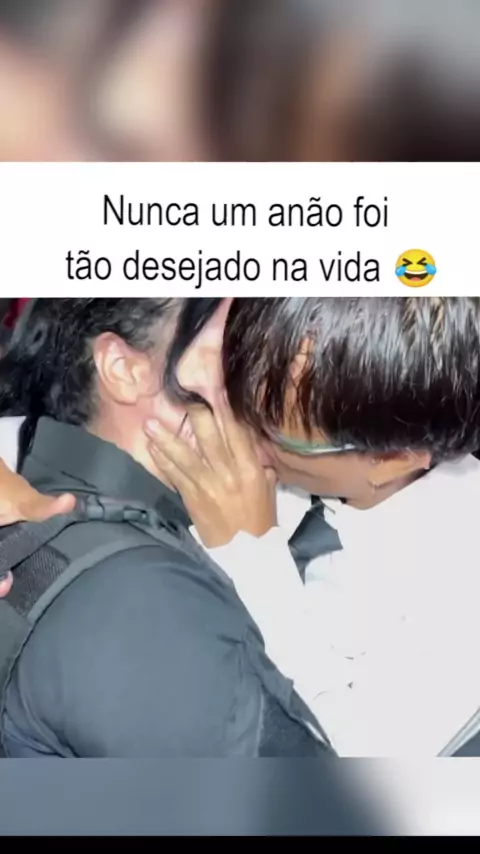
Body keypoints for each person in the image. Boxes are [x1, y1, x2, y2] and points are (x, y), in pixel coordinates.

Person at [3, 297, 480, 758]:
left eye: (278, 426)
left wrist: (255, 560)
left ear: (391, 458)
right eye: (243, 358)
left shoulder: (456, 600)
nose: (248, 416)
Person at [0, 298, 330, 759]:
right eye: (237, 348)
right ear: (122, 369)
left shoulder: (56, 509)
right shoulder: (143, 601)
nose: (266, 381)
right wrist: (257, 561)